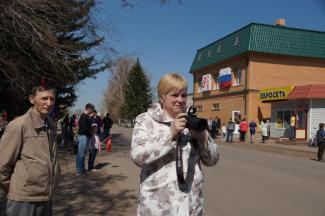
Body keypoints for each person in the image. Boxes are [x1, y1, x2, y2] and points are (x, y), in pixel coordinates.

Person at [130, 73, 219, 215]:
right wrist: (170, 133)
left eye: (183, 95)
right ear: (162, 97)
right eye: (174, 95)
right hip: (159, 206)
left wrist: (202, 137)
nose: (180, 100)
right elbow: (137, 156)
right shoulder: (146, 120)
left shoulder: (192, 121)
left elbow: (212, 160)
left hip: (191, 204)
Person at [0, 86, 60, 216]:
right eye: (44, 98)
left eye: (52, 99)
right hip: (23, 201)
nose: (49, 103)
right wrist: (15, 190)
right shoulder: (18, 125)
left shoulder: (51, 125)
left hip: (46, 197)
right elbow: (2, 165)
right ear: (32, 99)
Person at [76, 103, 95, 175]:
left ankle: (80, 169)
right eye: (92, 110)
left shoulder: (86, 116)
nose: (92, 111)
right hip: (83, 136)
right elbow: (84, 129)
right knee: (81, 154)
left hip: (84, 136)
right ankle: (81, 171)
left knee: (81, 154)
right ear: (88, 109)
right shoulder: (84, 116)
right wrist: (90, 134)